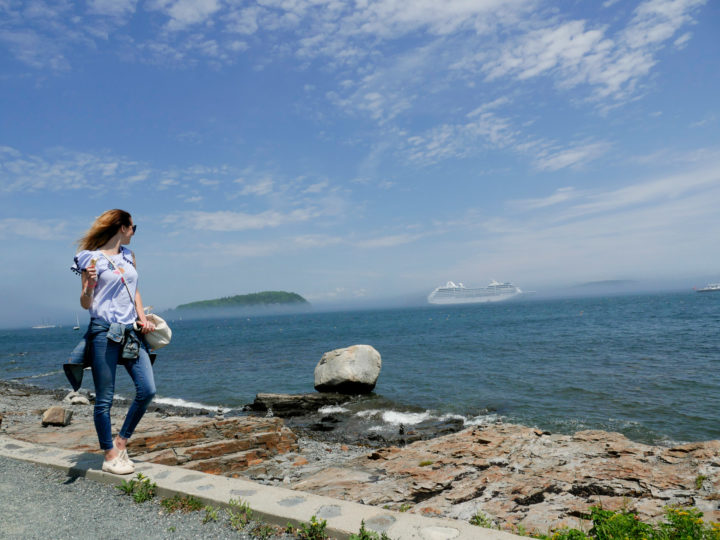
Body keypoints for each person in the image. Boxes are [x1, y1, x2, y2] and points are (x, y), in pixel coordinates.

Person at [72, 209, 157, 475]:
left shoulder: (129, 257)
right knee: (104, 399)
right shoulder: (91, 258)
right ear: (122, 227)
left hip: (131, 331)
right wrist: (89, 286)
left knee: (147, 389)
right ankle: (109, 456)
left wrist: (143, 319)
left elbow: (135, 291)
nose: (134, 232)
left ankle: (121, 443)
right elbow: (86, 303)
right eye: (134, 227)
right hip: (103, 331)